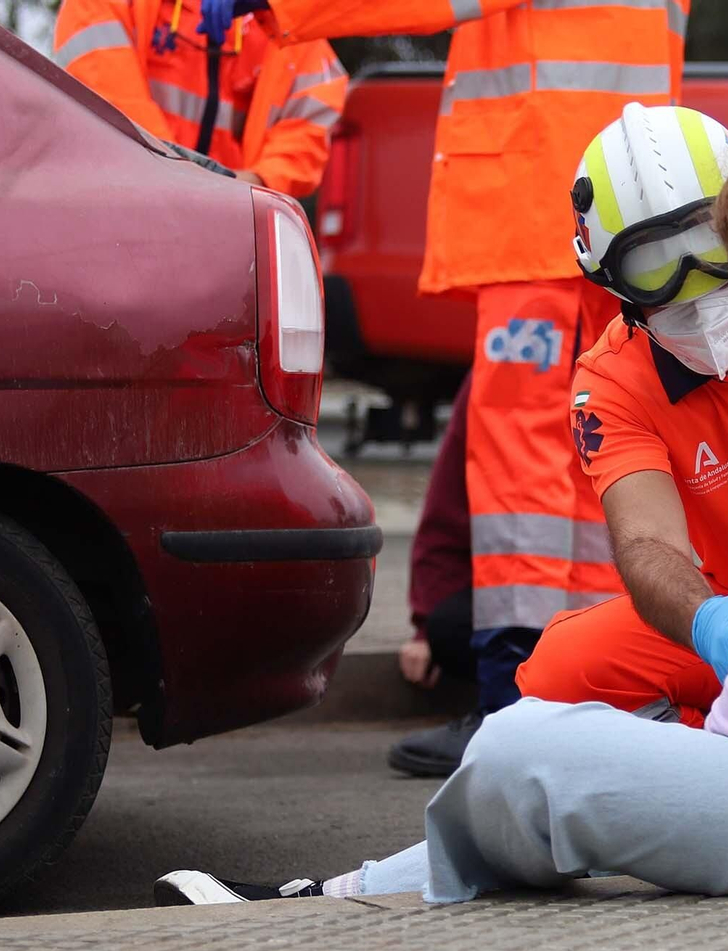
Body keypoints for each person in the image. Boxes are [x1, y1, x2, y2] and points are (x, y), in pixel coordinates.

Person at [154, 131, 728, 905]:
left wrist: (683, 792)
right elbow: (668, 558)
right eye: (656, 263)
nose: (702, 285)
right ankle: (344, 888)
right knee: (561, 682)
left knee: (526, 752)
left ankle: (343, 895)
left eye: (722, 252)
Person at [206, 0, 690, 776]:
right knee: (593, 454)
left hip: (539, 194)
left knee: (518, 463)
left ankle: (516, 708)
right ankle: (602, 697)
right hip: (619, 205)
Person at [53, 0, 347, 198]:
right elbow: (109, 101)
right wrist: (189, 184)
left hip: (227, 237)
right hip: (120, 208)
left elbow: (313, 109)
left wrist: (256, 184)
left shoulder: (275, 18)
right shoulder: (100, 5)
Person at [397, 373, 478, 704]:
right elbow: (447, 515)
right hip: (529, 607)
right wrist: (427, 627)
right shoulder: (499, 372)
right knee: (451, 628)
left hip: (620, 607)